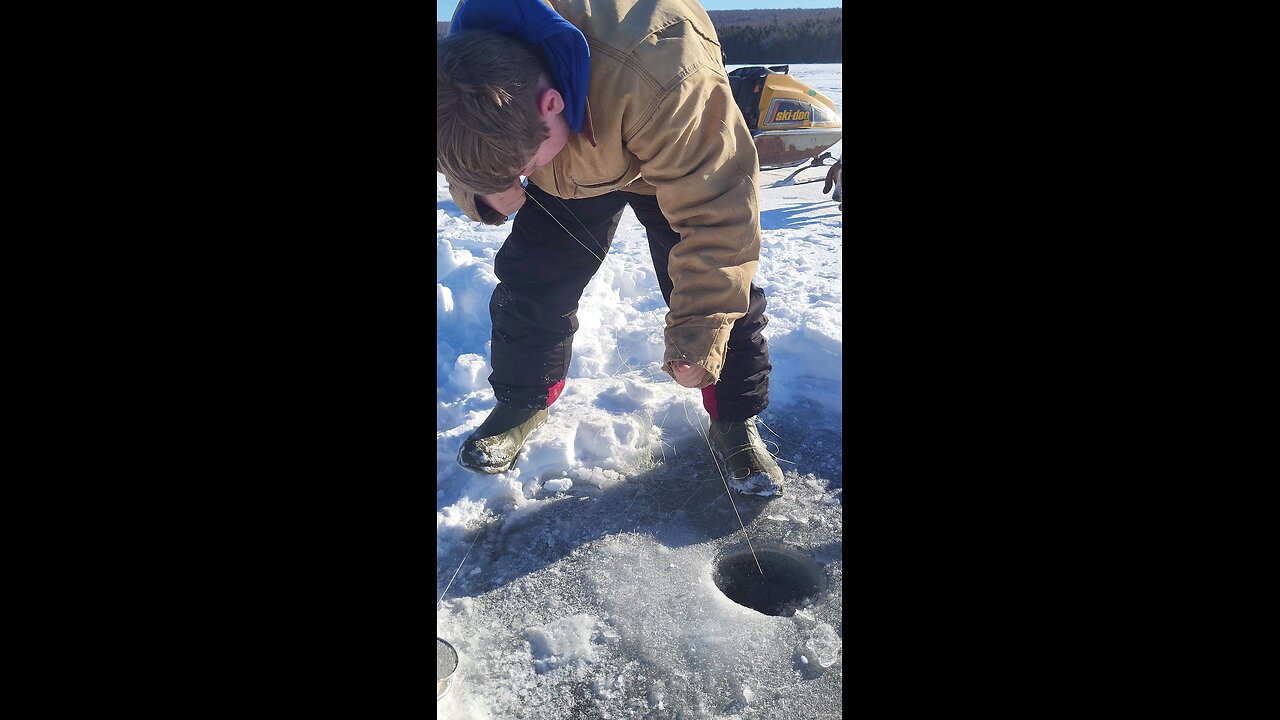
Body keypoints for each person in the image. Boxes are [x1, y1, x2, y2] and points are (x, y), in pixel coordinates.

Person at [437, 0, 784, 496]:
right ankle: (523, 400)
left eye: (522, 165)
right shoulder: (459, 72)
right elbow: (454, 147)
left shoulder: (666, 70)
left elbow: (719, 219)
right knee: (532, 278)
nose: (520, 179)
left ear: (552, 104)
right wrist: (481, 189)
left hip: (664, 144)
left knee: (716, 282)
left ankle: (734, 418)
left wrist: (700, 337)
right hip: (571, 173)